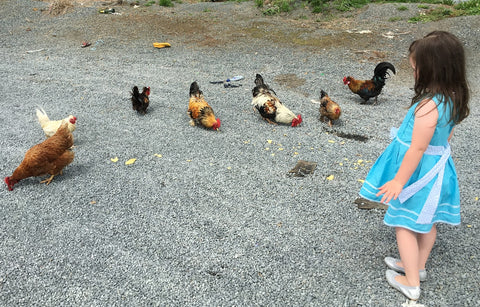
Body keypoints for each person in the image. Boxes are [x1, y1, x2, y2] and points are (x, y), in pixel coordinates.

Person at [359, 30, 470, 300]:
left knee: (403, 223)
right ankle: (417, 266)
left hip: (419, 174)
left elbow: (418, 148)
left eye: (415, 68)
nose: (414, 73)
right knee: (427, 221)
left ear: (431, 70)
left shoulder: (428, 106)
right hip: (438, 168)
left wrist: (399, 180)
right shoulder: (454, 96)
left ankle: (410, 282)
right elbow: (446, 137)